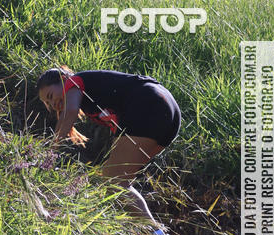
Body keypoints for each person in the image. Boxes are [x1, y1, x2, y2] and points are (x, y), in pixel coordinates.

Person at [36, 67, 181, 226]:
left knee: (114, 180)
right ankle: (149, 234)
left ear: (64, 79)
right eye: (47, 103)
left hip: (149, 103)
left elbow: (70, 112)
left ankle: (155, 233)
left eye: (50, 96)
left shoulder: (73, 81)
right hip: (168, 111)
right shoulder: (92, 98)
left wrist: (49, 155)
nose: (52, 104)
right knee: (116, 182)